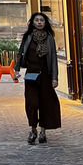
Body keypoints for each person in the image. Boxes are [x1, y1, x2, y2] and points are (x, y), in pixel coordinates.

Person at [14, 11, 62, 144]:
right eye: (37, 20)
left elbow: (53, 59)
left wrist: (54, 77)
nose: (39, 22)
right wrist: (17, 69)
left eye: (42, 20)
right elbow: (20, 54)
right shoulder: (27, 37)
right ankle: (33, 129)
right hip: (31, 74)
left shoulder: (49, 39)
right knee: (32, 103)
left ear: (45, 23)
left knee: (45, 104)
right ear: (32, 23)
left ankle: (43, 132)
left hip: (45, 74)